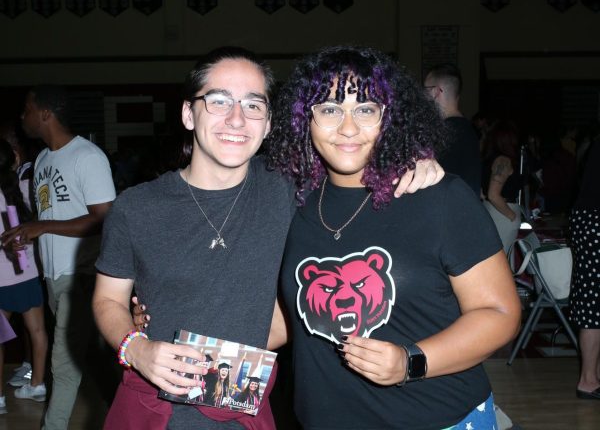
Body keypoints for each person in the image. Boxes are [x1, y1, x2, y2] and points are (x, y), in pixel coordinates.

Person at [92, 47, 443, 430]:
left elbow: (355, 152)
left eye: (253, 105)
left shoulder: (292, 189)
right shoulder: (136, 207)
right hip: (152, 412)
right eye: (219, 101)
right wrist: (137, 348)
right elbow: (108, 299)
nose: (237, 119)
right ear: (188, 114)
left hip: (245, 412)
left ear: (270, 121)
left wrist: (413, 160)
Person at [266, 45, 521, 430]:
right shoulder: (293, 204)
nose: (348, 127)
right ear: (306, 119)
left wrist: (410, 361)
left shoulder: (438, 197)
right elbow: (285, 320)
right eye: (330, 109)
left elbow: (500, 314)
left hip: (439, 419)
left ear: (389, 118)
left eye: (365, 109)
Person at [1, 85, 116, 430]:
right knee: (91, 357)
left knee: (62, 364)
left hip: (80, 273)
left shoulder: (87, 156)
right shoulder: (44, 161)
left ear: (46, 114)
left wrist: (40, 226)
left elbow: (104, 219)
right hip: (52, 275)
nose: (23, 117)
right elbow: (52, 218)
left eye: (27, 109)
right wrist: (26, 236)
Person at [0, 138, 48, 413]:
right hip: (28, 274)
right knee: (38, 332)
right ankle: (37, 384)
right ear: (14, 161)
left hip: (1, 280)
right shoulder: (23, 189)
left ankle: (0, 399)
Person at [569, 137, 600, 400]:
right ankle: (589, 380)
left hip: (588, 218)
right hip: (594, 220)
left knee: (593, 304)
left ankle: (593, 377)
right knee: (593, 306)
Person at [424, 63, 482, 196]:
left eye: (425, 90)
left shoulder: (445, 133)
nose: (424, 97)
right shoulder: (467, 130)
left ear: (435, 92)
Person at [481, 119, 522, 253]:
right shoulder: (503, 160)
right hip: (502, 215)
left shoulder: (490, 159)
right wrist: (512, 216)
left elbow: (484, 192)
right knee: (503, 261)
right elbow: (493, 194)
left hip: (492, 212)